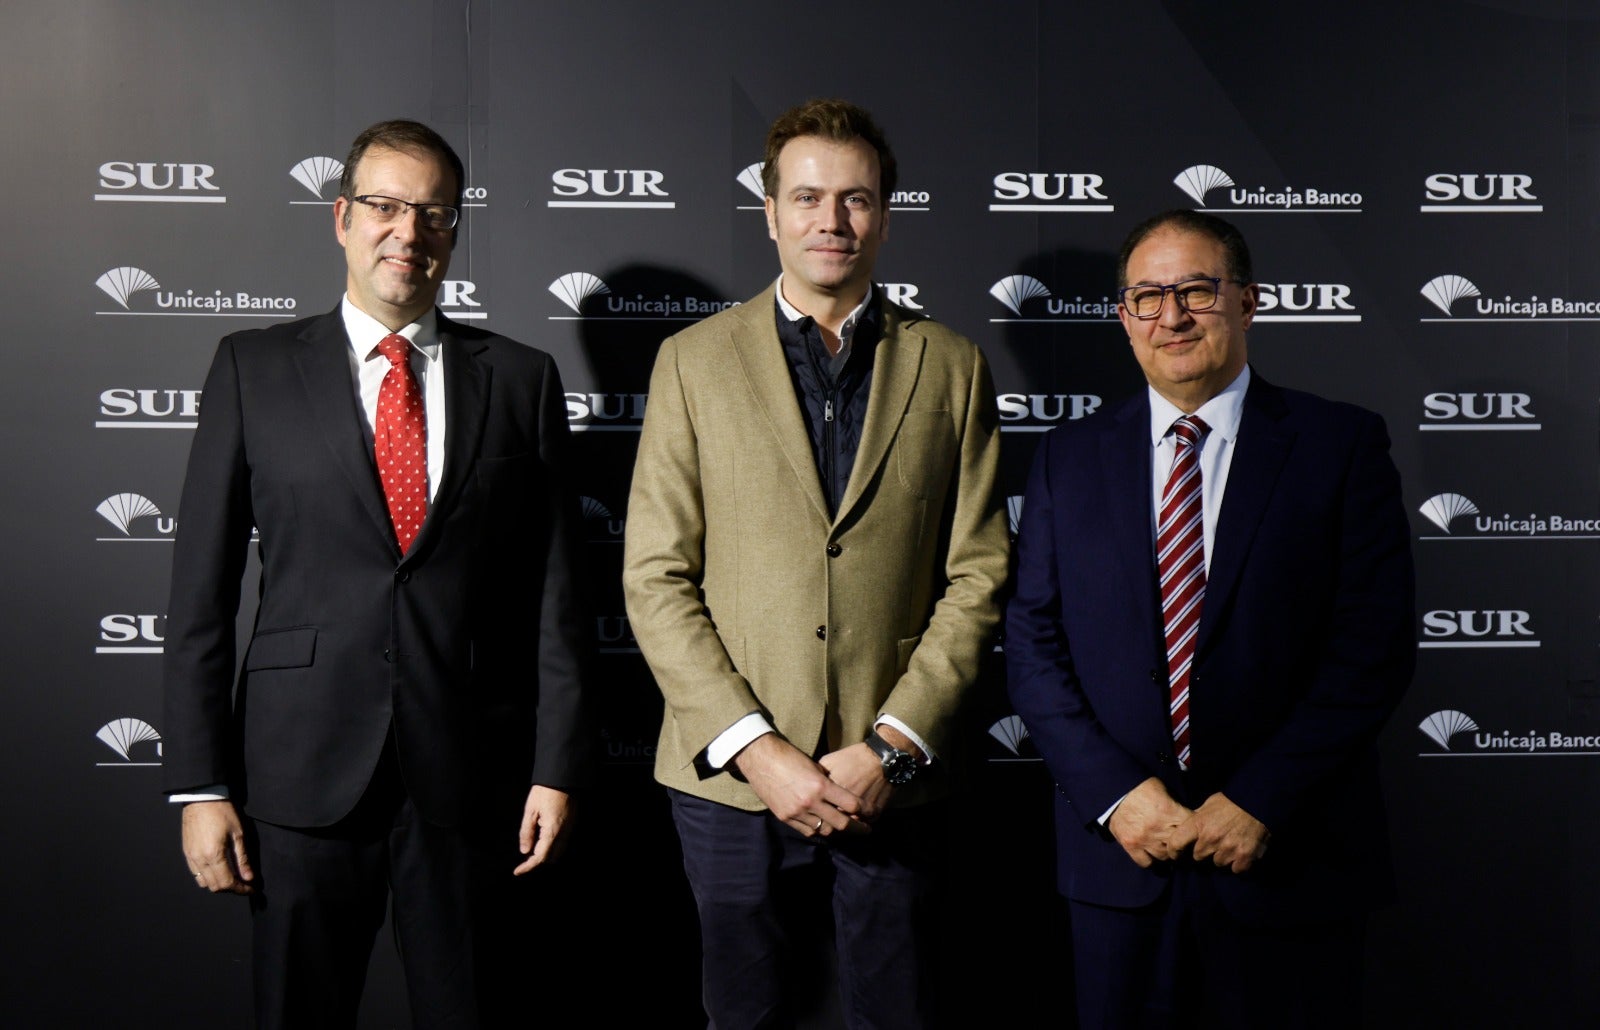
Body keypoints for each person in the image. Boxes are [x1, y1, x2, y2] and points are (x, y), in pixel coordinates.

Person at [162, 119, 592, 1029]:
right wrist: (203, 787)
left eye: (433, 214)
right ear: (342, 218)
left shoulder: (522, 379)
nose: (409, 233)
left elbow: (556, 599)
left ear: (453, 232)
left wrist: (556, 769)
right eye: (387, 208)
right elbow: (199, 598)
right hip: (297, 778)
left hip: (472, 780)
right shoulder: (253, 368)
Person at [622, 98, 1008, 1027]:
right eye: (807, 197)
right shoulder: (691, 362)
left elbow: (981, 571)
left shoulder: (951, 365)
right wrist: (759, 752)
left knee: (893, 1013)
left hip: (893, 779)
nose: (831, 221)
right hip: (731, 785)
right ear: (769, 210)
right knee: (745, 1016)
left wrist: (892, 745)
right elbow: (655, 576)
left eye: (856, 199)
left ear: (886, 212)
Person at [1005, 210, 1415, 1028]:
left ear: (1248, 302)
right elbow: (1033, 645)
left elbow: (1371, 648)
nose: (1173, 316)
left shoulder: (1340, 445)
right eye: (1148, 296)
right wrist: (1117, 797)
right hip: (1121, 866)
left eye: (1196, 289)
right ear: (1124, 317)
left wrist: (1261, 798)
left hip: (1291, 861)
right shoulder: (1067, 457)